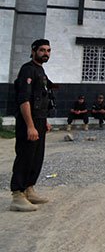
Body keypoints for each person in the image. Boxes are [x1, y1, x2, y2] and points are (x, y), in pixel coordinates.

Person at [9, 39, 53, 212]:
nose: (46, 53)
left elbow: (41, 99)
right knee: (25, 157)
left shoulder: (40, 71)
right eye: (42, 50)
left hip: (39, 121)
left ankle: (29, 189)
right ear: (34, 51)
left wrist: (44, 122)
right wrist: (30, 126)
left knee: (36, 157)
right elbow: (24, 100)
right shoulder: (27, 69)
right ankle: (17, 195)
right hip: (29, 122)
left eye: (48, 50)